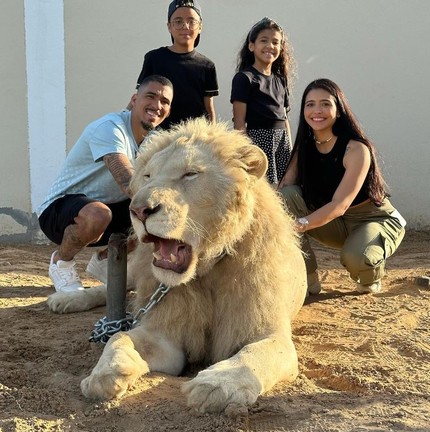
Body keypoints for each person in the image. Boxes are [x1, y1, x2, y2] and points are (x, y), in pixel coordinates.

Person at [37, 75, 173, 293]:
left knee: (156, 220)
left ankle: (103, 261)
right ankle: (61, 262)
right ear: (134, 99)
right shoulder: (110, 128)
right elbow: (127, 181)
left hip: (110, 206)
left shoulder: (154, 140)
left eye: (165, 101)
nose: (157, 105)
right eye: (151, 96)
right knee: (102, 214)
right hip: (59, 211)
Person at [278, 78, 406, 295]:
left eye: (325, 104)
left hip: (371, 218)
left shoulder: (356, 149)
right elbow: (283, 191)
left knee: (358, 258)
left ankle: (370, 269)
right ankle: (306, 280)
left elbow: (340, 204)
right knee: (285, 198)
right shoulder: (304, 148)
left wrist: (300, 224)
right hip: (334, 222)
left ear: (338, 110)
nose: (317, 110)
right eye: (310, 104)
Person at [132, 0, 219, 129]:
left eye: (191, 21)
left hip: (193, 136)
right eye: (178, 22)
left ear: (200, 26)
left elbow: (209, 107)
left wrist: (213, 135)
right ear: (169, 26)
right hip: (158, 134)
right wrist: (122, 120)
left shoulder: (207, 66)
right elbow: (140, 97)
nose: (185, 26)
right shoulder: (154, 58)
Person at [230, 17, 295, 186]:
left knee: (285, 189)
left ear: (281, 48)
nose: (270, 46)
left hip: (282, 143)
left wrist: (290, 147)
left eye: (275, 42)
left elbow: (284, 119)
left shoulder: (281, 80)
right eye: (264, 41)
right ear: (252, 46)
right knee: (265, 190)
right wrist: (246, 153)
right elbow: (239, 123)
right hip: (258, 142)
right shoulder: (244, 78)